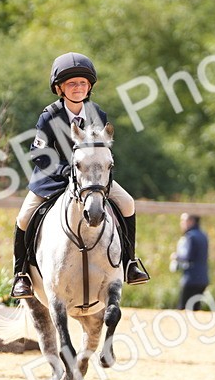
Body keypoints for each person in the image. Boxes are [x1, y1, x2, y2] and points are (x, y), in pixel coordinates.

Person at [10, 52, 150, 298]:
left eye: (83, 84)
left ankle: (129, 263)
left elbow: (102, 150)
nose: (78, 88)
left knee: (127, 203)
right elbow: (38, 152)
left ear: (89, 88)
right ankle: (21, 274)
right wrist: (64, 170)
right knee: (23, 217)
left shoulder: (98, 113)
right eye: (72, 84)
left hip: (91, 180)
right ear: (59, 88)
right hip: (51, 178)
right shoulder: (49, 116)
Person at [170, 213, 209, 310]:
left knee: (184, 308)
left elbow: (188, 256)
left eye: (183, 221)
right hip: (203, 278)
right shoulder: (203, 235)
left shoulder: (190, 236)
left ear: (191, 221)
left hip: (191, 278)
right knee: (195, 309)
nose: (181, 224)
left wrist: (176, 257)